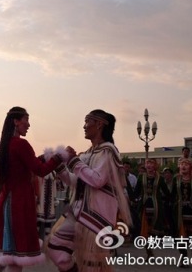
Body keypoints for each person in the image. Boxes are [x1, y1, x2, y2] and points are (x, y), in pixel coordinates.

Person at [0, 106, 62, 272]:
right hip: (20, 202)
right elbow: (40, 170)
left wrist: (42, 158)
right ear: (16, 121)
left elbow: (23, 165)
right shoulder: (21, 144)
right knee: (16, 254)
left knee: (5, 251)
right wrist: (58, 157)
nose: (28, 124)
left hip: (6, 199)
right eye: (26, 120)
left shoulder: (6, 144)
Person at [46, 109, 132, 272]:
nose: (84, 126)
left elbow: (97, 180)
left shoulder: (108, 152)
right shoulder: (87, 154)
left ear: (99, 124)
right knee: (55, 248)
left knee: (91, 264)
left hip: (97, 217)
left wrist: (74, 161)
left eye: (87, 122)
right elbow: (76, 181)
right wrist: (60, 167)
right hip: (78, 213)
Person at [128, 158, 170, 259]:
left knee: (154, 232)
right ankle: (149, 252)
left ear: (155, 165)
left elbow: (166, 192)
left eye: (151, 163)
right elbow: (136, 192)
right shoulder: (141, 177)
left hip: (156, 206)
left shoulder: (160, 178)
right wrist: (128, 191)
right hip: (144, 206)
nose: (149, 165)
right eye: (147, 163)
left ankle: (151, 249)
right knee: (145, 230)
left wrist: (167, 199)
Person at [170, 158, 192, 265]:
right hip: (179, 210)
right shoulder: (176, 179)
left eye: (186, 164)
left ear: (191, 167)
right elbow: (172, 194)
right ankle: (183, 257)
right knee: (180, 235)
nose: (183, 166)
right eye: (182, 164)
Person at [35, 155, 58, 241]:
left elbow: (54, 187)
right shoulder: (40, 172)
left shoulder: (52, 173)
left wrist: (55, 200)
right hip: (41, 200)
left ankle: (45, 242)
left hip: (48, 201)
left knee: (47, 223)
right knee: (38, 222)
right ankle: (37, 242)